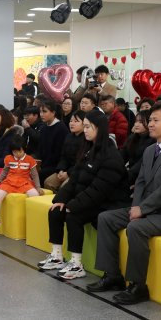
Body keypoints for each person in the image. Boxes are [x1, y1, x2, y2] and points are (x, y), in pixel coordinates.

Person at [87, 102, 161, 305]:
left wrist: (142, 209)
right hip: (150, 210)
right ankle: (112, 275)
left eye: (155, 120)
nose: (150, 124)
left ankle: (138, 286)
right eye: (150, 120)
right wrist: (136, 207)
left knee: (136, 227)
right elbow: (141, 183)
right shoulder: (149, 150)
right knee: (106, 218)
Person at [40, 110, 131, 279]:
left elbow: (99, 190)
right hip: (91, 198)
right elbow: (75, 179)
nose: (86, 130)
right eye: (86, 126)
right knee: (55, 210)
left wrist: (72, 205)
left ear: (100, 129)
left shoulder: (110, 156)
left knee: (73, 216)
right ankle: (57, 255)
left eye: (89, 127)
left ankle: (76, 263)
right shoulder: (88, 149)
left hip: (109, 202)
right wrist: (61, 200)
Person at [0, 135, 43, 232]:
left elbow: (35, 175)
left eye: (20, 151)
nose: (17, 154)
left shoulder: (30, 159)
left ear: (24, 149)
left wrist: (38, 187)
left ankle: (34, 219)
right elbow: (4, 171)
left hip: (24, 182)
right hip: (9, 182)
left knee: (35, 195)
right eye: (14, 152)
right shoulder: (8, 158)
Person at [43, 110, 85, 192]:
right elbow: (63, 156)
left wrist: (68, 173)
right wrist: (61, 170)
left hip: (77, 172)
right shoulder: (69, 136)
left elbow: (81, 162)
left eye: (76, 121)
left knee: (64, 187)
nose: (72, 123)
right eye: (71, 121)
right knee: (48, 182)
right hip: (65, 170)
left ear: (84, 124)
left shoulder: (86, 139)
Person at [37, 99, 70, 185]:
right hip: (44, 164)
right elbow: (41, 149)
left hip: (56, 166)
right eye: (40, 112)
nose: (41, 114)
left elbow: (59, 154)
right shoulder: (43, 127)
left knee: (38, 175)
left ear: (53, 112)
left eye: (44, 111)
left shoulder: (61, 129)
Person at [120, 110, 155, 187]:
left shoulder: (153, 141)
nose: (136, 124)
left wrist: (125, 178)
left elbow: (141, 164)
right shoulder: (132, 137)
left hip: (142, 179)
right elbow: (122, 155)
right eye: (136, 121)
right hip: (130, 175)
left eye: (141, 122)